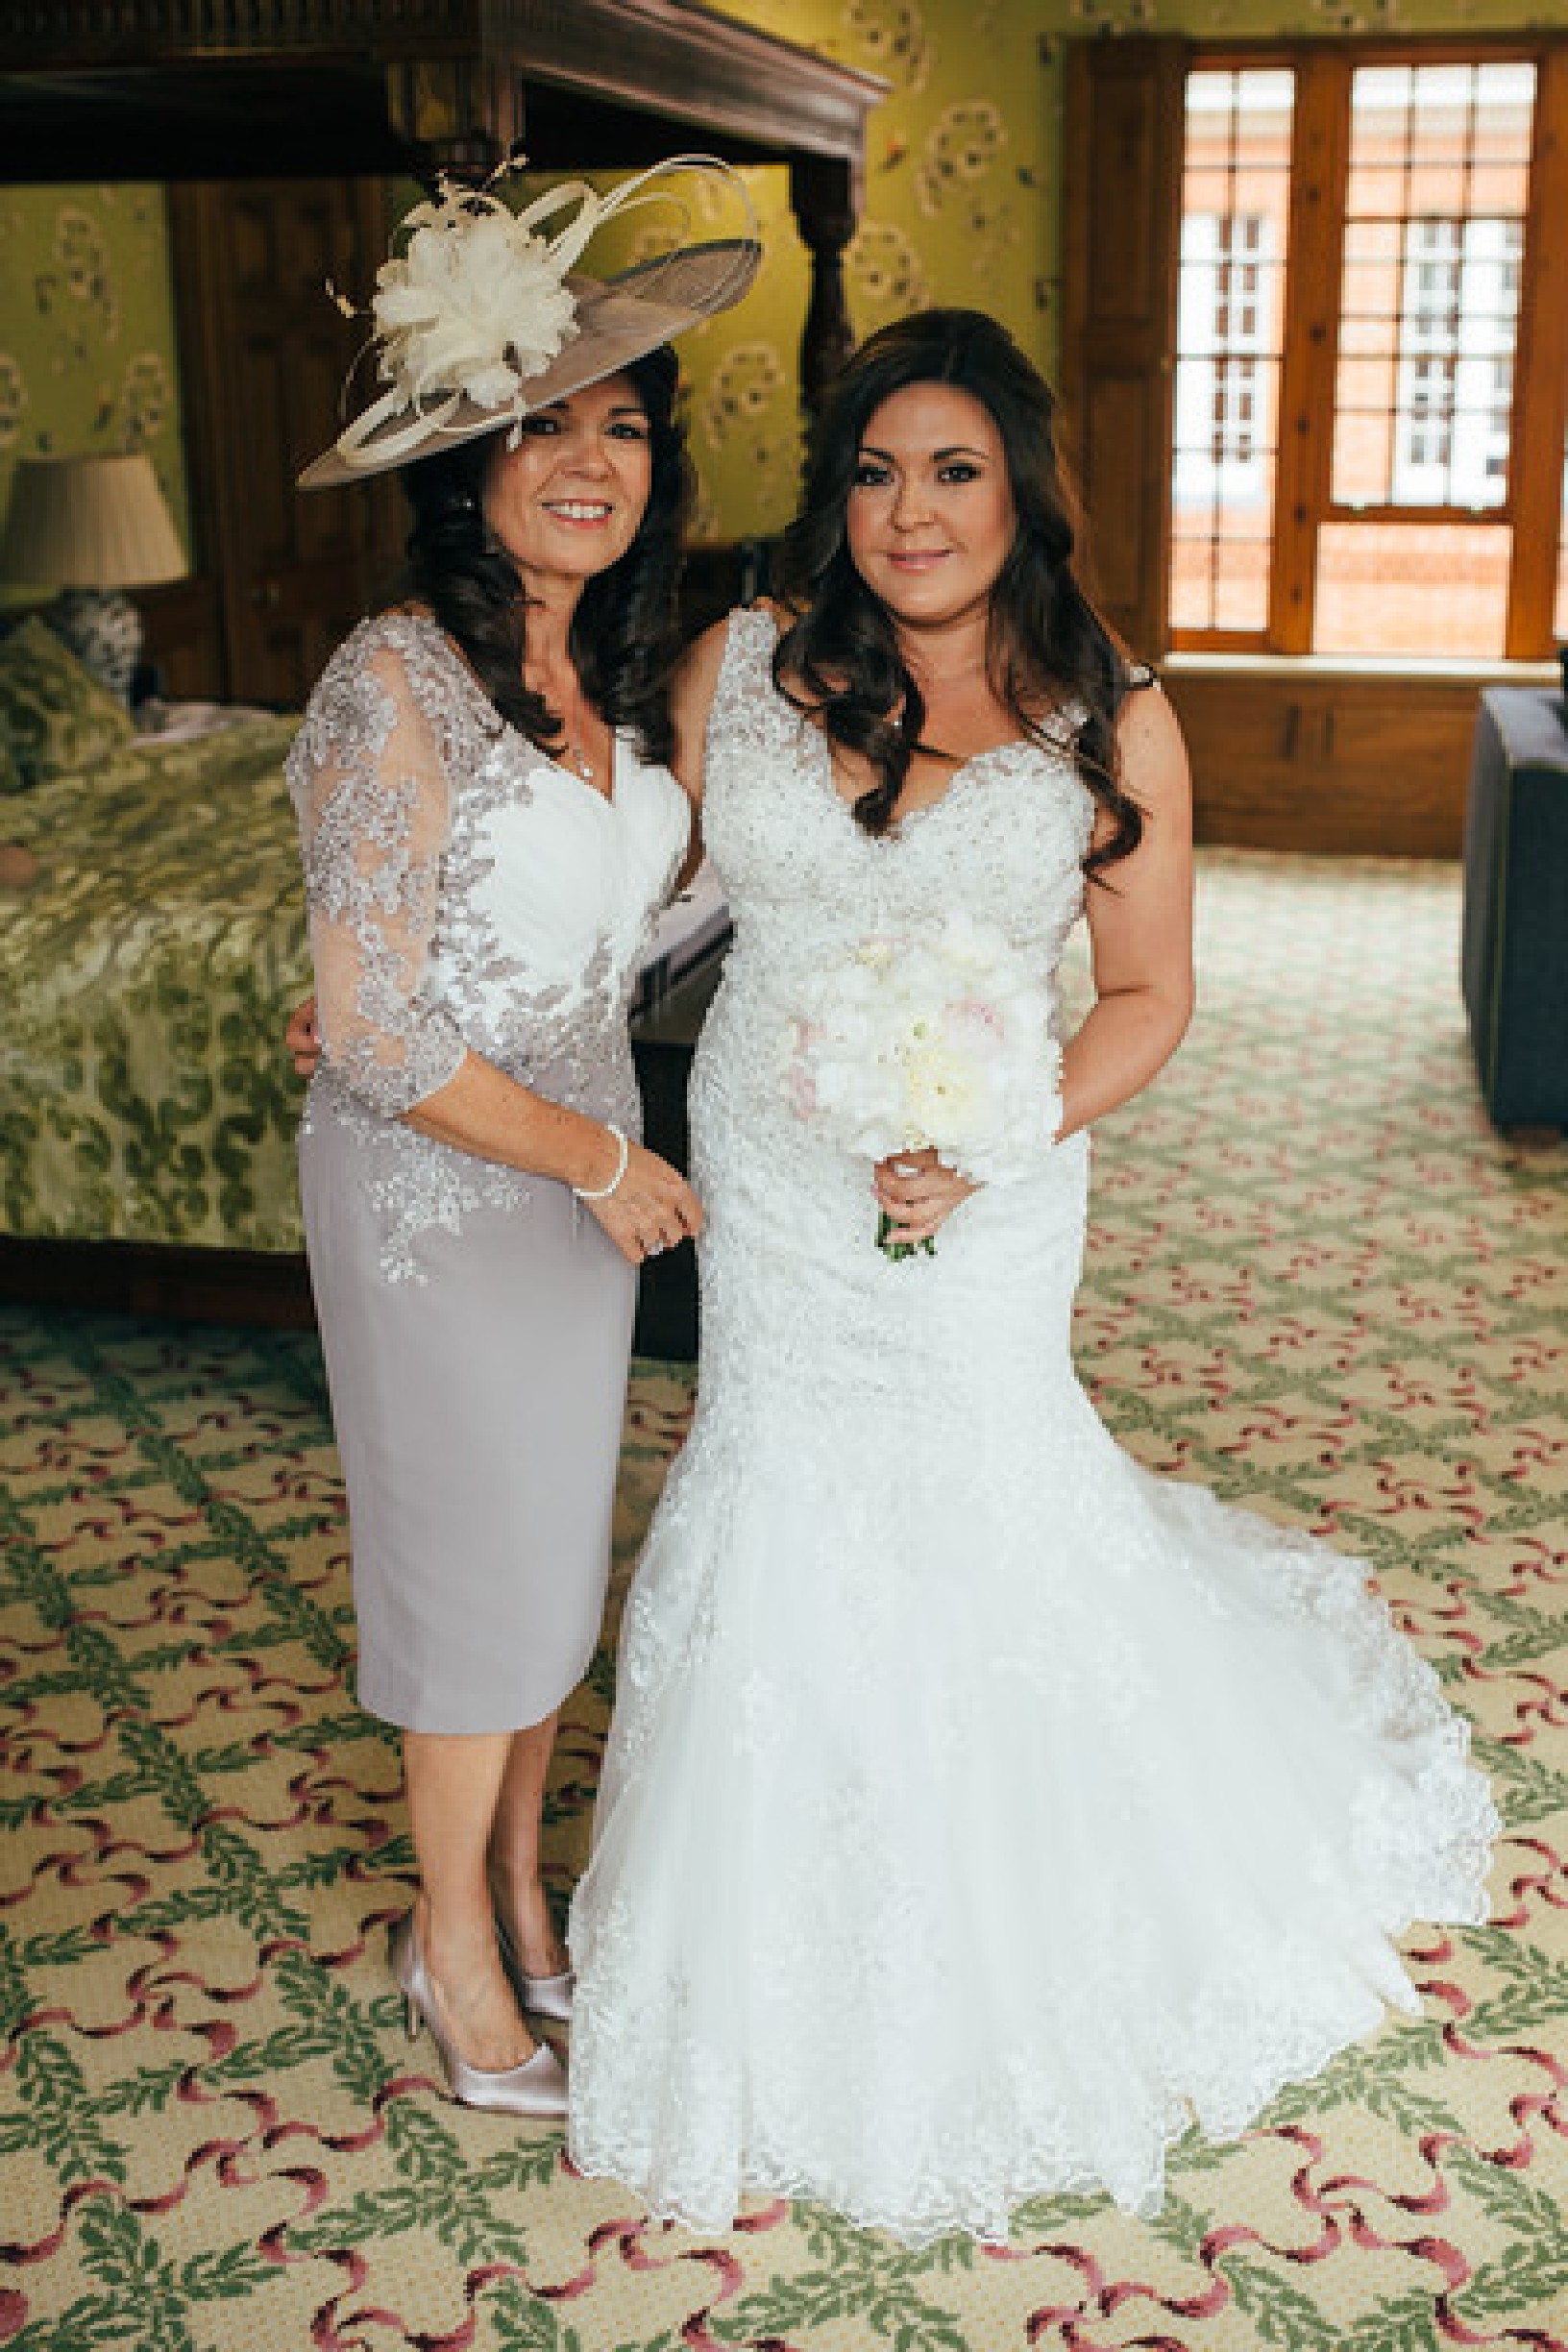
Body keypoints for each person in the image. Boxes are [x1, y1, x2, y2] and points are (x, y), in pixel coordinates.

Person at [564, 309, 1498, 2237]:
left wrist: (1003, 1132)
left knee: (980, 1502)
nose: (912, 513)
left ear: (1026, 492)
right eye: (878, 471)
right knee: (777, 1490)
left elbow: (1151, 994)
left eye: (956, 470)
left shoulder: (1111, 715)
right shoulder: (739, 666)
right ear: (841, 494)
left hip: (990, 1186)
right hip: (776, 1171)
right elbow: (642, 900)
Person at [284, 158, 757, 2117]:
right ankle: (452, 1948)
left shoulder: (605, 681)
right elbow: (385, 1026)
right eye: (542, 424)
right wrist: (595, 1160)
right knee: (472, 1591)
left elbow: (603, 930)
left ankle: (520, 1894)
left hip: (575, 1195)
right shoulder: (389, 678)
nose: (591, 461)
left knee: (552, 1575)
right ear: (461, 460)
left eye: (625, 426)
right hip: (450, 1194)